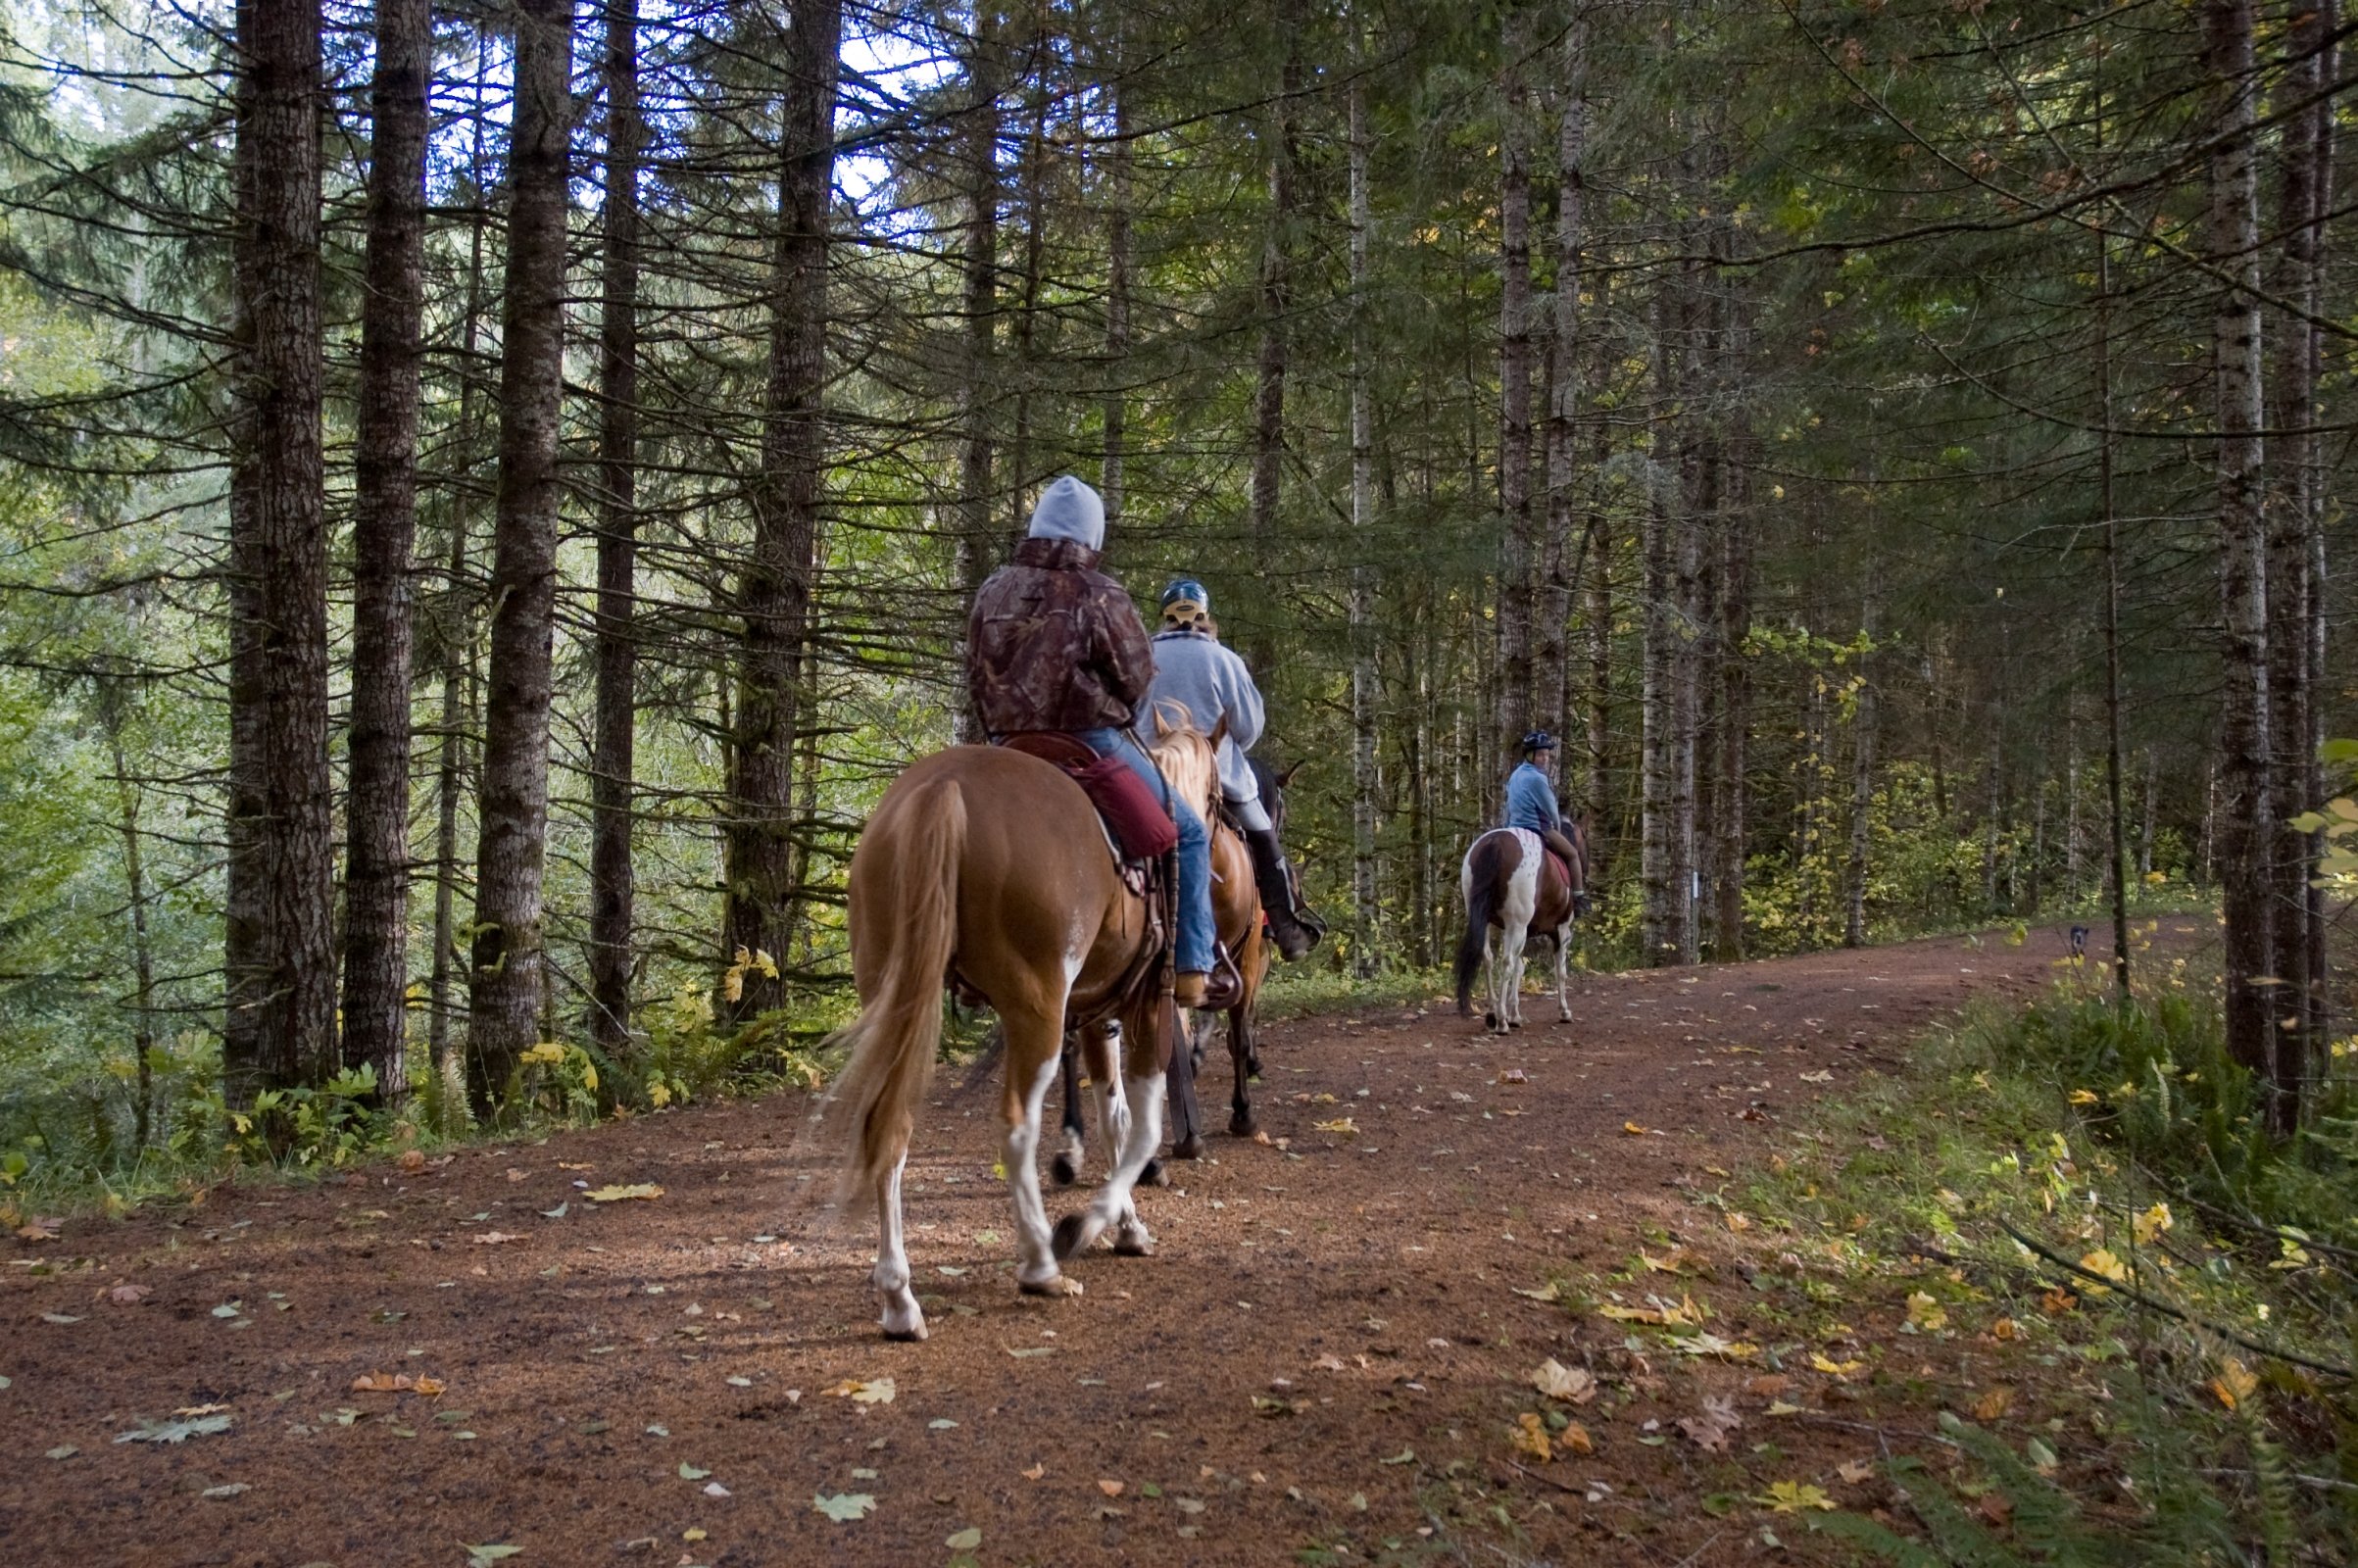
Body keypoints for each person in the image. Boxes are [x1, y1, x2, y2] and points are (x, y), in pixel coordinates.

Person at [966, 476, 1234, 1010]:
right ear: (1092, 533)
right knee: (1185, 833)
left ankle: (969, 960)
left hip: (1005, 745)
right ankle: (1190, 968)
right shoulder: (1099, 593)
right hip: (1089, 741)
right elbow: (1138, 678)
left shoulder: (993, 588)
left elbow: (975, 669)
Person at [1142, 578, 1325, 960]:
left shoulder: (1141, 656)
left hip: (1150, 777)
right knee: (1261, 832)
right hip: (1216, 777)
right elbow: (1249, 728)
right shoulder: (1224, 659)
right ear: (1206, 617)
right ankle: (1284, 925)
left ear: (1164, 618)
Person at [1504, 730, 1585, 897]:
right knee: (1572, 854)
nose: (1545, 759)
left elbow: (1508, 805)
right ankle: (1579, 896)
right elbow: (1551, 810)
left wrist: (1506, 827)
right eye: (1540, 755)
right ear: (1529, 755)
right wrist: (1558, 829)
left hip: (1514, 827)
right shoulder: (1537, 778)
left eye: (1547, 755)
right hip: (1537, 827)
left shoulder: (1515, 774)